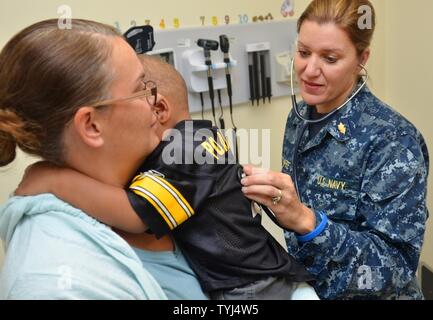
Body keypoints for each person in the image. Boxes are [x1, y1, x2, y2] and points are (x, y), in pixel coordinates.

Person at [16, 55, 318, 300]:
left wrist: (52, 179)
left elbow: (137, 215)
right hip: (262, 274)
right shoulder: (198, 137)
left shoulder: (182, 150)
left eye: (142, 95)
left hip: (249, 289)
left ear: (159, 108)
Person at [0, 19, 206, 299]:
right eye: (141, 89)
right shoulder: (54, 283)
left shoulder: (149, 178)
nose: (154, 103)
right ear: (91, 125)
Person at [241, 0, 429, 299]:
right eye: (303, 53)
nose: (309, 70)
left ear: (361, 58)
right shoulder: (299, 118)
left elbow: (396, 266)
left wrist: (307, 221)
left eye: (329, 58)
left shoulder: (393, 140)